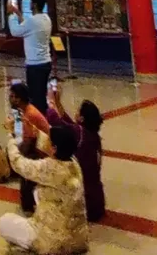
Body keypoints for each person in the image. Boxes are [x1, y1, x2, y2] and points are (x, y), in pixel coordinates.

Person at [0, 120, 89, 255]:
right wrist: (37, 131)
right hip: (77, 239)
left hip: (52, 241)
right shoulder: (74, 164)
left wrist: (10, 135)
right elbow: (54, 146)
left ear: (54, 148)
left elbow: (18, 163)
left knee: (4, 221)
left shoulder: (48, 168)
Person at [47, 84, 105, 223]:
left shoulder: (79, 133)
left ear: (82, 119)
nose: (76, 112)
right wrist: (58, 102)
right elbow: (68, 122)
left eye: (78, 111)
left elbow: (59, 123)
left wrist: (49, 104)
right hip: (97, 202)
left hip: (83, 204)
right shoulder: (93, 136)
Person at [9, 80, 52, 213]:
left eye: (12, 96)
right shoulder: (27, 111)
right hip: (40, 146)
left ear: (19, 98)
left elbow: (30, 143)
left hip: (41, 151)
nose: (10, 99)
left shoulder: (30, 115)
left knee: (25, 170)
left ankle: (28, 204)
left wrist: (17, 156)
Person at [8, 0, 53, 113]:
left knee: (35, 98)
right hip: (45, 63)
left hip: (35, 66)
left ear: (34, 4)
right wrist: (18, 13)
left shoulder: (33, 21)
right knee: (41, 95)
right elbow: (27, 27)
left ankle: (39, 123)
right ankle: (44, 120)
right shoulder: (46, 19)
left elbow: (15, 31)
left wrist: (11, 15)